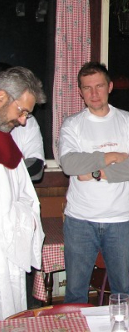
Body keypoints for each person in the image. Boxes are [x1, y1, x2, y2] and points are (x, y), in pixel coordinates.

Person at [58, 62, 129, 304]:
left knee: (123, 292)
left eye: (99, 86)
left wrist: (96, 173)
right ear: (80, 91)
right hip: (79, 221)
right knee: (75, 293)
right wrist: (112, 156)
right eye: (87, 88)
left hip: (120, 221)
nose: (94, 93)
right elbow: (70, 165)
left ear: (109, 87)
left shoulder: (128, 121)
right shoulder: (72, 124)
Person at [0, 66, 46, 320]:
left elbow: (26, 192)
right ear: (2, 96)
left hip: (8, 251)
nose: (23, 121)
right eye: (22, 111)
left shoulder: (6, 141)